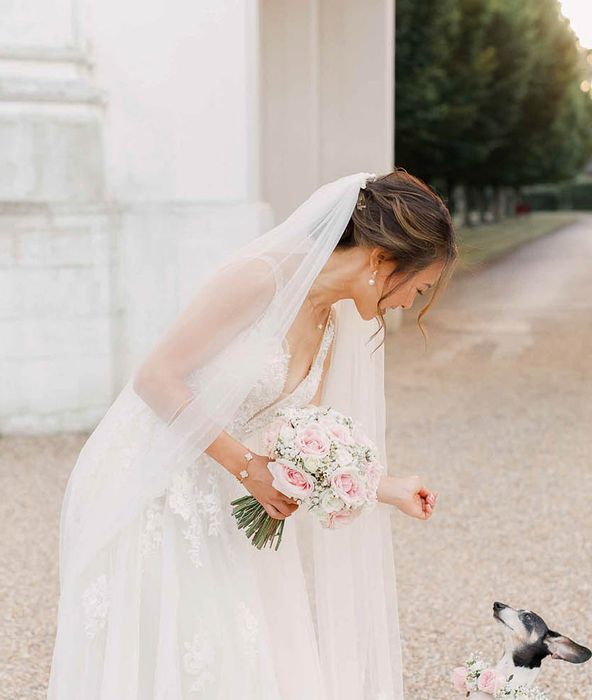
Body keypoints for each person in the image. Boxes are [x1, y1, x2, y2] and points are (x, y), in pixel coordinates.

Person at [46, 169, 459, 699]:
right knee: (187, 660)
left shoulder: (334, 323)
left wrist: (386, 488)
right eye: (418, 288)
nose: (408, 305)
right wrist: (246, 467)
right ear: (381, 261)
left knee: (241, 664)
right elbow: (156, 378)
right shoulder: (261, 278)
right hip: (152, 488)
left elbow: (299, 439)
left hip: (230, 499)